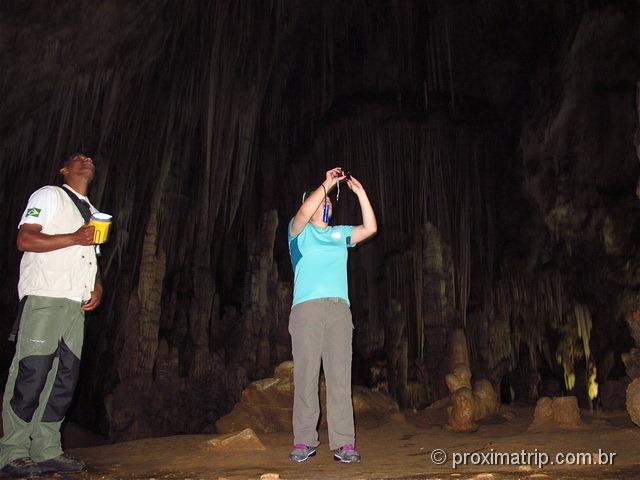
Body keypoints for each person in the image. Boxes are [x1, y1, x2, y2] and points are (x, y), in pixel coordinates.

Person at [0, 153, 103, 477]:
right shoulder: (49, 195)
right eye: (78, 158)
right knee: (32, 371)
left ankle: (46, 449)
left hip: (75, 304)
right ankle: (12, 452)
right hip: (46, 295)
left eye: (89, 159)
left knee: (63, 380)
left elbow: (91, 257)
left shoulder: (96, 213)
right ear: (64, 169)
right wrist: (74, 237)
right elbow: (25, 238)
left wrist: (98, 286)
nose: (86, 161)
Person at [287, 167, 377, 464]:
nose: (326, 206)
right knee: (306, 376)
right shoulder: (298, 234)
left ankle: (343, 444)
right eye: (321, 203)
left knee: (340, 377)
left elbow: (370, 229)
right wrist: (326, 185)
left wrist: (361, 194)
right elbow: (303, 211)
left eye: (329, 204)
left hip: (339, 310)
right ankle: (304, 440)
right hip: (307, 310)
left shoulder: (340, 235)